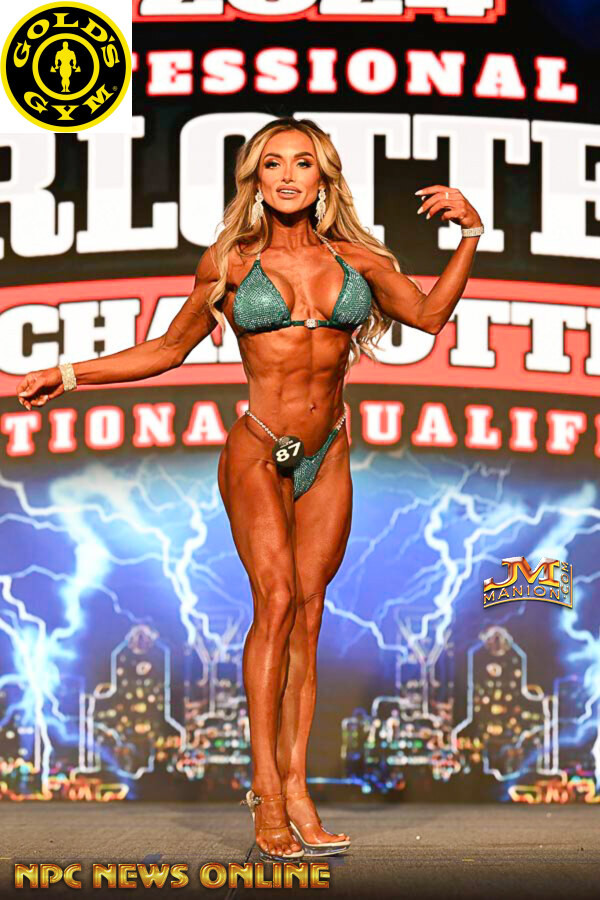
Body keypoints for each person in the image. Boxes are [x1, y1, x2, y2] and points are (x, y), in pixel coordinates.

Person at [15, 116, 483, 862]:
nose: (288, 175)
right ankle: (265, 791)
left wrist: (469, 237)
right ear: (255, 180)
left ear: (324, 178)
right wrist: (67, 374)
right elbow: (168, 349)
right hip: (259, 450)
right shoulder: (230, 263)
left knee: (309, 615)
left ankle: (298, 789)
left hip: (328, 449)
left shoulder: (359, 259)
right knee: (276, 599)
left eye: (303, 163)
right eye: (273, 164)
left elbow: (428, 317)